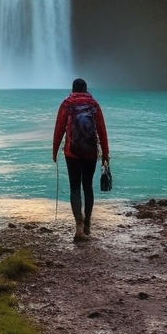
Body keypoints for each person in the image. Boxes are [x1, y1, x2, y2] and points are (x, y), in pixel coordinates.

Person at [52, 77, 109, 241]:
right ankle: (88, 223)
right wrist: (105, 154)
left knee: (75, 188)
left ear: (72, 89)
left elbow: (59, 129)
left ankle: (78, 227)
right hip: (91, 152)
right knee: (88, 187)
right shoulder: (94, 105)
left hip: (72, 153)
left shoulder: (66, 104)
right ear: (86, 89)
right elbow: (102, 131)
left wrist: (55, 151)